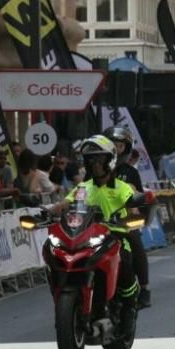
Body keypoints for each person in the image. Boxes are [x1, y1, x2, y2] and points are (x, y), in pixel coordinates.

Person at [49, 135, 142, 333]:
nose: (95, 164)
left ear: (110, 160)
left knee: (124, 262)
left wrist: (129, 220)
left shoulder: (122, 188)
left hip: (115, 237)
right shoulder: (83, 188)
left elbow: (133, 210)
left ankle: (129, 304)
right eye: (91, 160)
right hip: (85, 238)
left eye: (100, 159)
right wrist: (48, 212)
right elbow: (63, 205)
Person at [103, 126, 150, 308]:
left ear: (126, 149)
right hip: (98, 221)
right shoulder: (95, 169)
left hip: (121, 221)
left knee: (136, 243)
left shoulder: (130, 172)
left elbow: (138, 199)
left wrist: (132, 217)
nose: (115, 149)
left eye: (119, 146)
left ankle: (144, 288)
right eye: (111, 145)